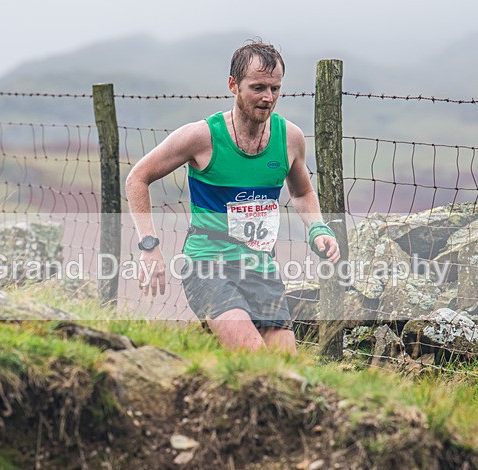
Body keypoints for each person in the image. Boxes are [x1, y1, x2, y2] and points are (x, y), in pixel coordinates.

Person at [125, 40, 340, 354]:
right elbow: (137, 178)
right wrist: (149, 246)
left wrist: (318, 228)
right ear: (233, 85)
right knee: (254, 355)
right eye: (258, 87)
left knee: (287, 365)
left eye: (275, 89)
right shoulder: (201, 136)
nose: (268, 98)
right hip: (207, 267)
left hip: (260, 268)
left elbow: (303, 191)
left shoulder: (290, 138)